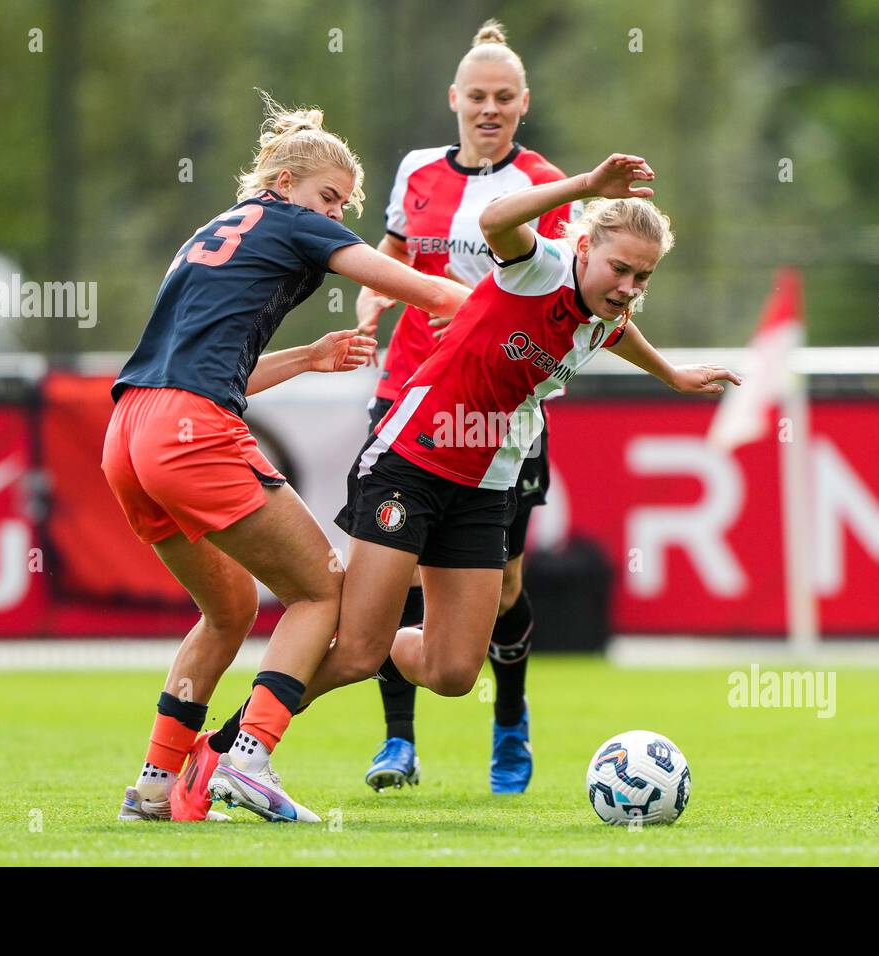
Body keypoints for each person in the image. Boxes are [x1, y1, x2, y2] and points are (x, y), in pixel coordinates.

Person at [104, 93, 469, 824]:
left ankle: (153, 783)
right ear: (282, 186)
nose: (334, 216)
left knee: (230, 608)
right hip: (190, 430)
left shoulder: (211, 232)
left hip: (128, 433)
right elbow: (419, 288)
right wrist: (508, 305)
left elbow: (209, 364)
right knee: (319, 591)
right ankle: (249, 757)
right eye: (328, 198)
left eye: (343, 205)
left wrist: (309, 355)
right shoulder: (292, 222)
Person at [290, 153, 741, 733]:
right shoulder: (542, 266)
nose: (629, 287)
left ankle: (372, 648)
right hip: (415, 456)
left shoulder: (605, 309)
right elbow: (495, 220)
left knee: (452, 673)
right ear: (583, 249)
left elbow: (617, 331)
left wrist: (671, 375)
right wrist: (585, 186)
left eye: (643, 277)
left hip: (485, 482)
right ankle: (240, 739)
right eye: (620, 269)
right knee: (355, 649)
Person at [354, 18, 574, 793]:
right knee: (396, 572)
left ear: (524, 103)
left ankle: (509, 716)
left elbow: (553, 290)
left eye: (503, 97)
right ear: (454, 99)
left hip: (497, 414)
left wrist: (480, 313)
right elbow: (393, 255)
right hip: (407, 393)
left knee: (503, 585)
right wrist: (371, 301)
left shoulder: (543, 184)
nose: (489, 108)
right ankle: (397, 741)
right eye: (476, 96)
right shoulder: (416, 170)